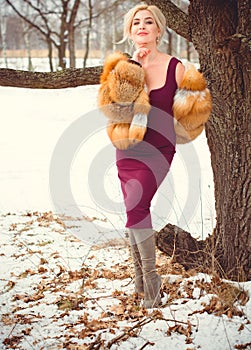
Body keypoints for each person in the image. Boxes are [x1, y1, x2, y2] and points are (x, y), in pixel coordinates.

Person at [111, 3, 186, 309]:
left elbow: (192, 107)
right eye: (137, 23)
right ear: (131, 32)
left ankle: (151, 281)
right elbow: (115, 109)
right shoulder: (123, 67)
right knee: (134, 205)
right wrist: (134, 71)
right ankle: (142, 280)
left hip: (160, 147)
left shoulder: (175, 67)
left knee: (137, 203)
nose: (142, 26)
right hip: (128, 147)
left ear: (158, 30)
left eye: (149, 22)